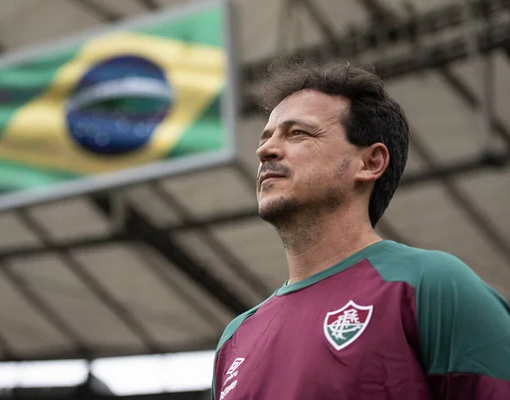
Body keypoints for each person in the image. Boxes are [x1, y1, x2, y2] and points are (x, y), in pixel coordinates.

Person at [211, 58, 510, 400]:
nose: (264, 150)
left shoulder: (431, 287)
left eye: (298, 133)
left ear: (370, 163)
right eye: (266, 138)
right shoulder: (236, 338)